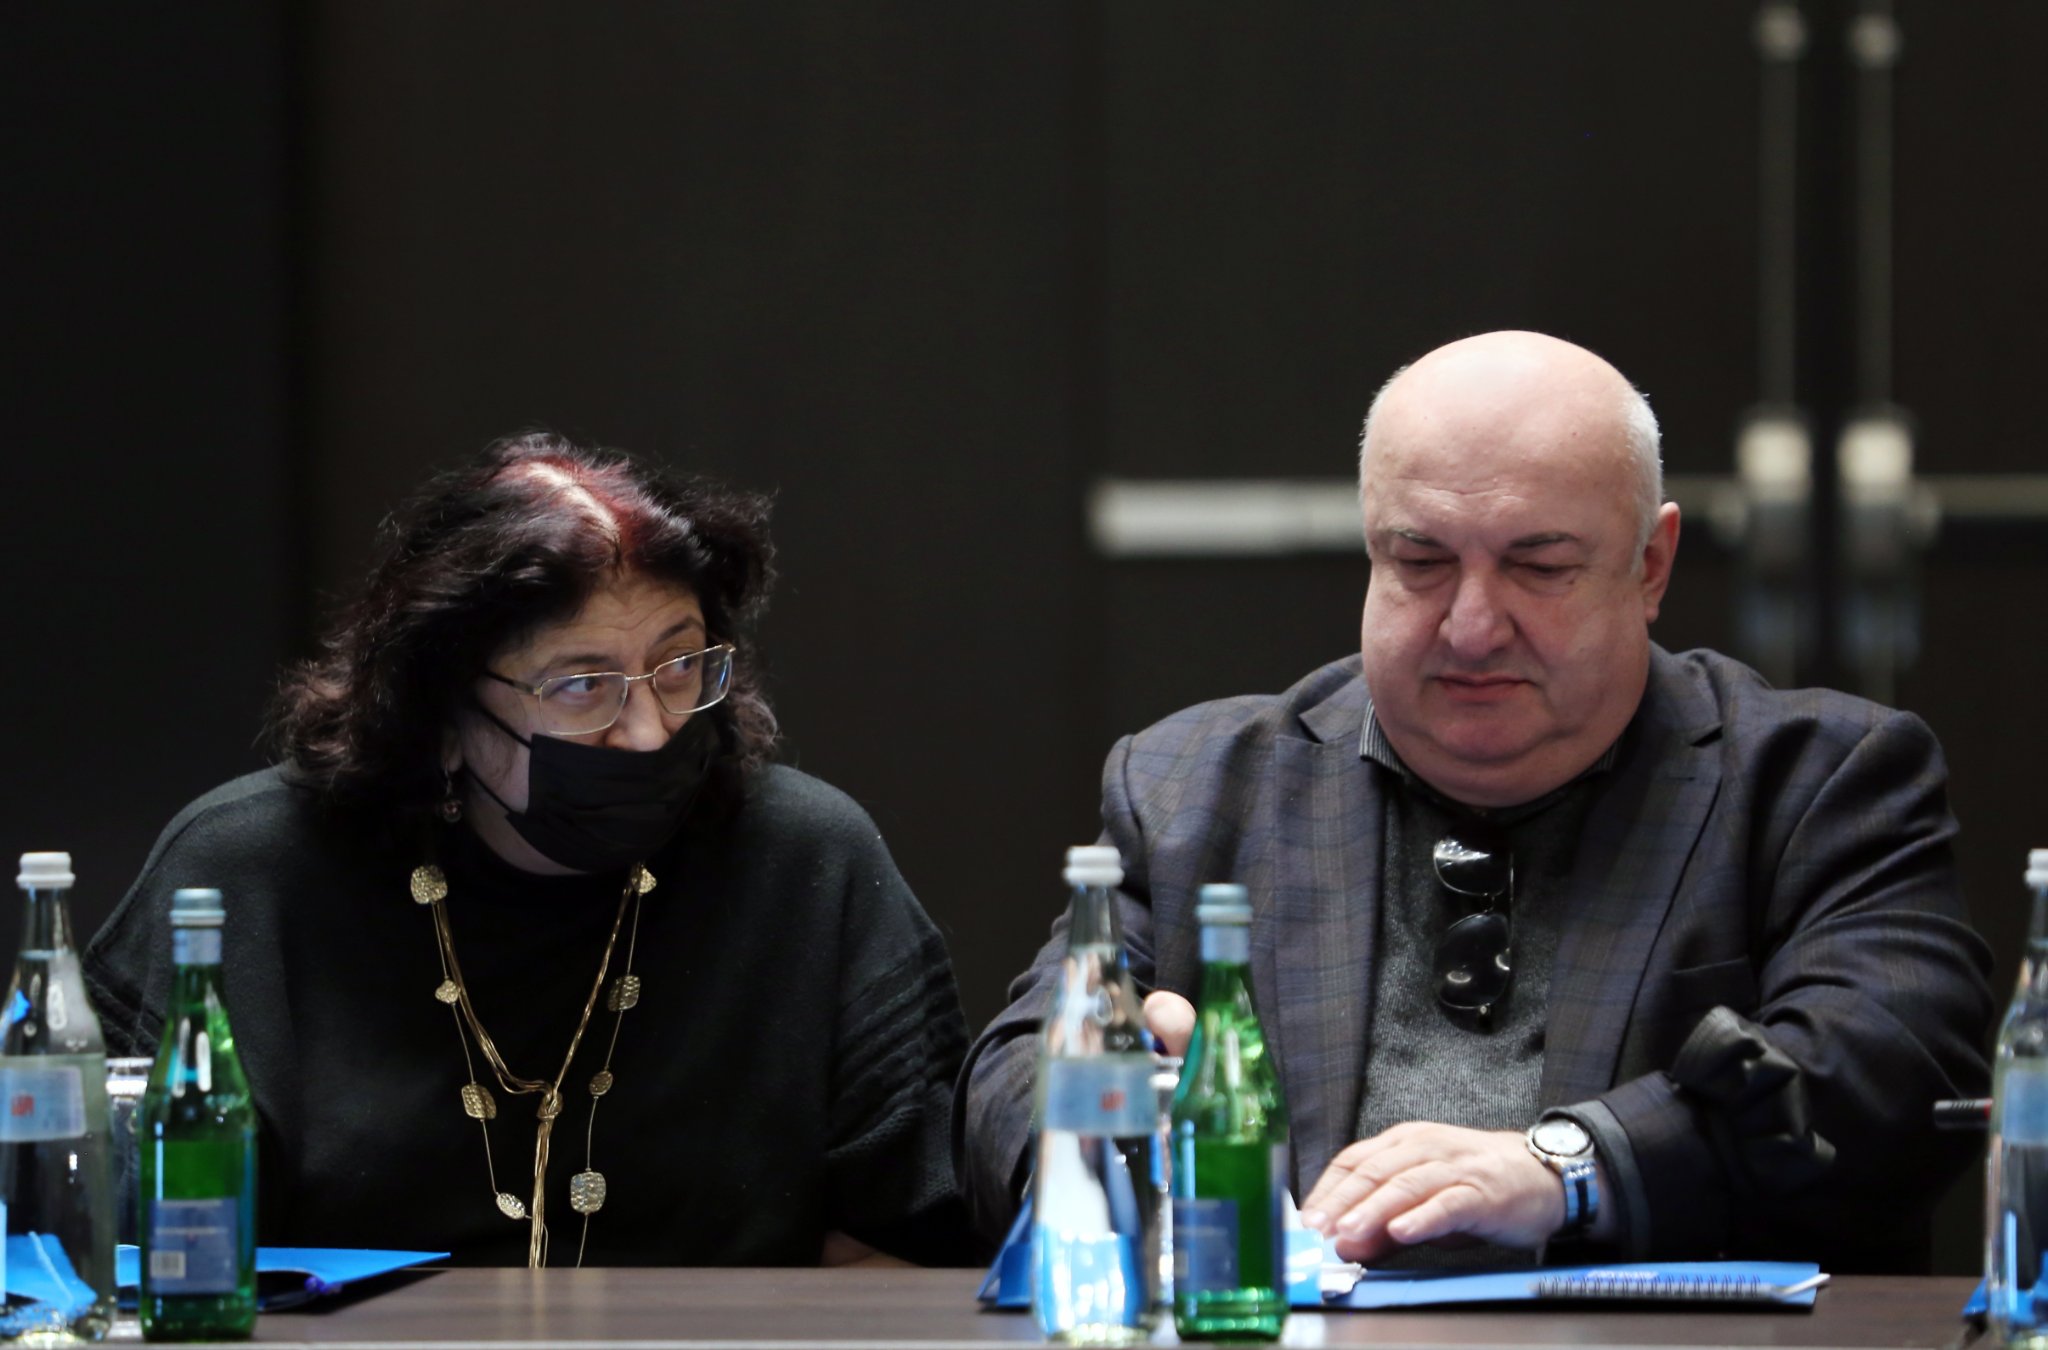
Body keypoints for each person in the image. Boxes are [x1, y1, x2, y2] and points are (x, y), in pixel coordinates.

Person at [957, 331, 1994, 1272]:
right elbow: (1007, 1085)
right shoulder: (1193, 786)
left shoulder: (1816, 781)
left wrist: (1571, 1168)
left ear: (1650, 565)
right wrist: (1116, 1116)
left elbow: (1888, 1077)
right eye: (1419, 562)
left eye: (1538, 567)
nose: (1470, 627)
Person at [87, 432, 977, 1268]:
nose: (648, 732)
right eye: (583, 685)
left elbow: (916, 1246)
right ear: (441, 711)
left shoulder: (807, 862)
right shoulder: (246, 876)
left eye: (679, 667)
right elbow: (110, 1244)